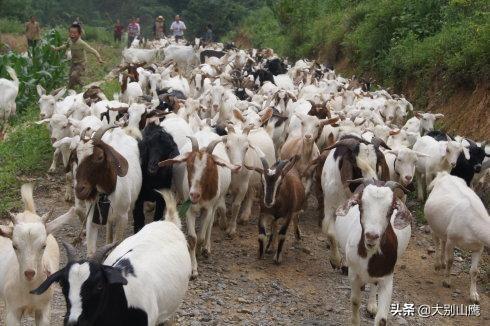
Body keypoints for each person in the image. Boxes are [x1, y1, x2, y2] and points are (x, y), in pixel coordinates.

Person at [53, 23, 103, 89]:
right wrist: (56, 49)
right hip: (73, 62)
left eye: (74, 33)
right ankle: (80, 85)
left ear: (79, 34)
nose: (72, 34)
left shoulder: (81, 43)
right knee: (71, 77)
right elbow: (65, 46)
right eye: (70, 32)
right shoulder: (69, 40)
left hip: (81, 63)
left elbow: (93, 50)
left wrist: (99, 58)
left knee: (74, 75)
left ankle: (68, 89)